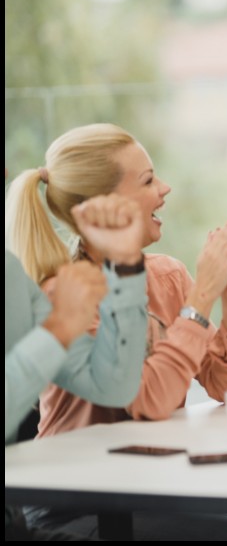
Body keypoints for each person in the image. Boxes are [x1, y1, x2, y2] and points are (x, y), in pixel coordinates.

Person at [6, 124, 227, 540]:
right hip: (77, 506)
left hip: (148, 493)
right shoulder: (65, 298)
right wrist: (204, 294)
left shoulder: (166, 276)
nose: (164, 189)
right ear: (105, 205)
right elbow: (148, 399)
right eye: (148, 180)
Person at [5, 192, 149, 541]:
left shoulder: (10, 274)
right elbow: (60, 330)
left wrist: (124, 264)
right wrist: (60, 327)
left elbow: (112, 385)